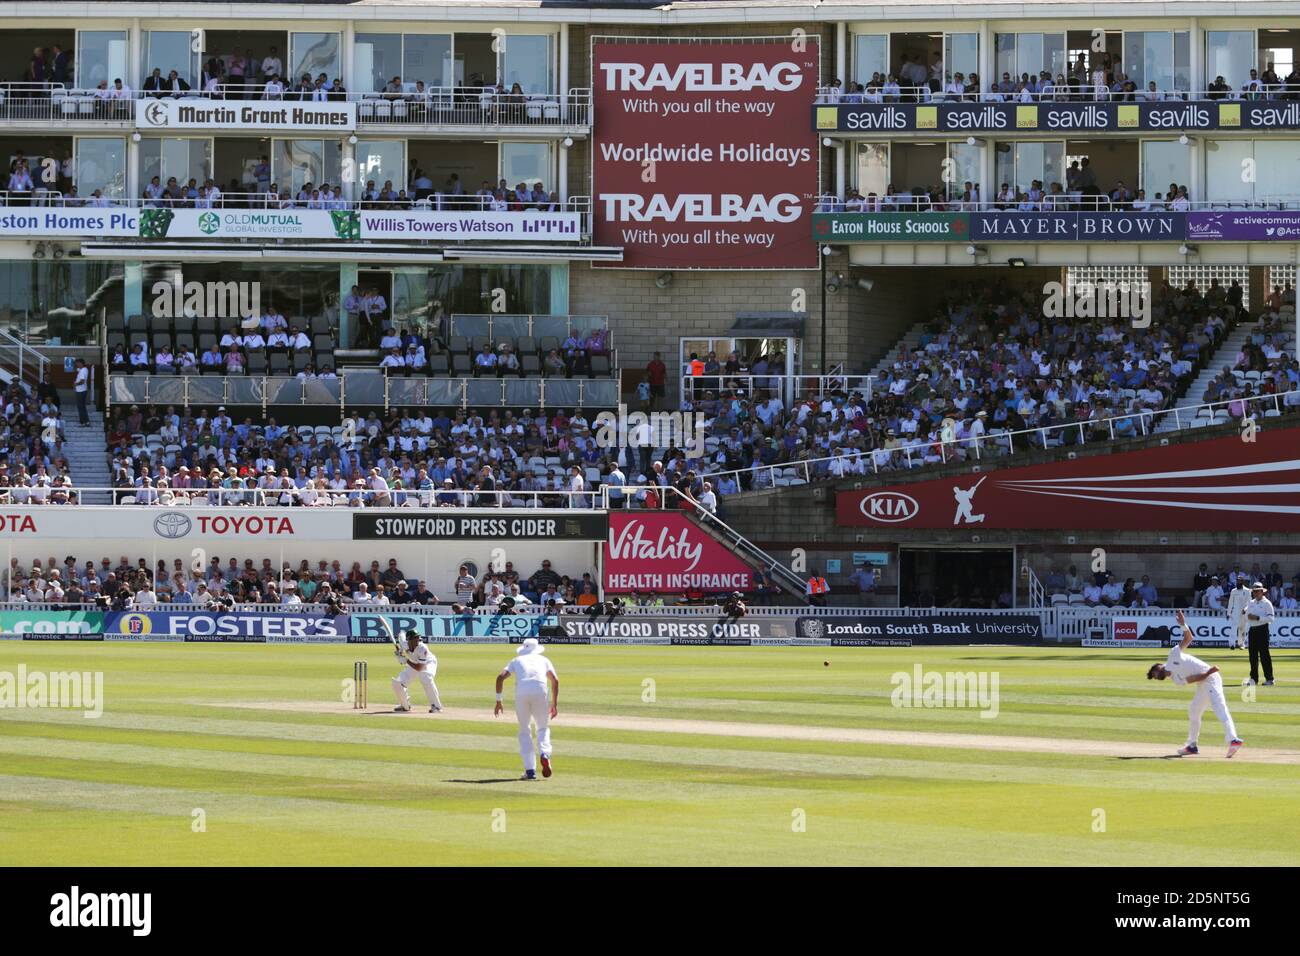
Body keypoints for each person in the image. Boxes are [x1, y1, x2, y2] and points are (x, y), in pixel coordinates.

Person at [1146, 609, 1243, 758]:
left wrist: (1182, 624)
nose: (1155, 675)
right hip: (1204, 679)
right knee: (1194, 710)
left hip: (1211, 679)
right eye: (1154, 676)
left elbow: (1189, 638)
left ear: (1159, 666)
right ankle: (1192, 745)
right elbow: (1194, 679)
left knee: (1219, 708)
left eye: (1154, 672)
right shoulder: (1176, 680)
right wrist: (1207, 673)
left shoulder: (1173, 655)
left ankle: (1233, 740)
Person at [494, 637, 559, 780]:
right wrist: (554, 704)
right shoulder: (544, 660)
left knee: (524, 730)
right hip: (540, 690)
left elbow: (500, 677)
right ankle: (545, 753)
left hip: (522, 692)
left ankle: (530, 771)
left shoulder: (516, 660)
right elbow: (555, 680)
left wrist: (499, 701)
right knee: (542, 728)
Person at [391, 629, 443, 713]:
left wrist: (406, 660)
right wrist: (399, 655)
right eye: (415, 638)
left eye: (418, 638)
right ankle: (405, 705)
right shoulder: (404, 644)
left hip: (428, 663)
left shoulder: (422, 648)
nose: (418, 640)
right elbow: (402, 634)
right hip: (414, 662)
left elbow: (419, 668)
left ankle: (436, 706)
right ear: (409, 640)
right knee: (397, 683)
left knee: (425, 676)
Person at [1244, 582, 1276, 687]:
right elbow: (1247, 615)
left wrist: (1257, 618)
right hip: (1252, 630)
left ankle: (1270, 679)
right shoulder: (1251, 602)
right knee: (1252, 656)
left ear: (1262, 592)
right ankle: (1253, 679)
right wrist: (1248, 616)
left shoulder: (1267, 603)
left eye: (1258, 591)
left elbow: (1271, 618)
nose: (1256, 593)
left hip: (1262, 630)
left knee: (1264, 655)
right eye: (1254, 591)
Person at [1225, 577, 1251, 650]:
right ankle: (1232, 644)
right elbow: (1230, 602)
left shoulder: (1247, 591)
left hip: (1244, 612)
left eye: (1239, 581)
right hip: (1235, 612)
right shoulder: (1233, 591)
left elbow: (1249, 603)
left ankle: (1241, 644)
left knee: (1242, 628)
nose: (1237, 582)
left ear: (1242, 582)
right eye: (1237, 581)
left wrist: (1245, 609)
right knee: (1233, 627)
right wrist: (1228, 613)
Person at [73, 359, 90, 426]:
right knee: (83, 407)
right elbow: (76, 369)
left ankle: (83, 422)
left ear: (81, 363)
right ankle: (86, 421)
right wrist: (74, 364)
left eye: (77, 363)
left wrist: (75, 384)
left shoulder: (82, 371)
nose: (77, 365)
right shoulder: (84, 369)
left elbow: (82, 381)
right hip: (83, 390)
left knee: (80, 407)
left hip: (80, 391)